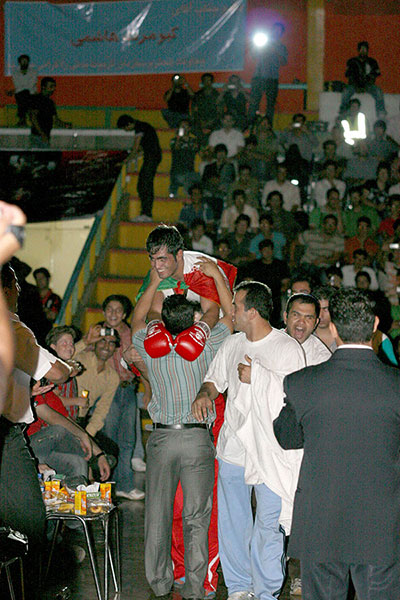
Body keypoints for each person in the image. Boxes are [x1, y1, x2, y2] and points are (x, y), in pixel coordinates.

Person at [273, 288, 400, 600]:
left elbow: (287, 438)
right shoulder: (395, 384)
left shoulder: (302, 382)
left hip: (322, 520)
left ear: (332, 327)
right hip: (382, 522)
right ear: (375, 325)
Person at [192, 281, 305, 600]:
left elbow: (297, 395)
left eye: (236, 306)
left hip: (271, 451)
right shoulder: (232, 344)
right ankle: (240, 587)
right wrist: (204, 394)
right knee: (233, 521)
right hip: (234, 448)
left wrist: (260, 377)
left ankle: (266, 591)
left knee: (268, 525)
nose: (231, 311)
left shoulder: (286, 348)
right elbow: (213, 380)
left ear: (252, 312)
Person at [128, 267, 233, 600]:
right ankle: (195, 587)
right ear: (193, 321)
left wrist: (155, 282)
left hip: (162, 438)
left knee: (157, 515)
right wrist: (216, 278)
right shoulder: (205, 344)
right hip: (197, 438)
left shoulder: (149, 345)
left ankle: (160, 582)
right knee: (197, 516)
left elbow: (138, 318)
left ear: (163, 321)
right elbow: (227, 316)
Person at [0, 261, 75, 600]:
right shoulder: (13, 327)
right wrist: (67, 367)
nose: (20, 291)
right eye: (16, 285)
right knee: (31, 522)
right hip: (5, 439)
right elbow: (56, 373)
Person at [282, 292, 331, 597]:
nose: (301, 322)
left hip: (305, 448)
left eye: (309, 317)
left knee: (304, 515)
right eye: (296, 315)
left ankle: (299, 573)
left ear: (316, 322)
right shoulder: (268, 344)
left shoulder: (322, 356)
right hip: (269, 445)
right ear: (285, 316)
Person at [138, 225, 236, 332]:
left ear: (179, 254)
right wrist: (157, 330)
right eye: (152, 259)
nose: (157, 266)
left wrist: (197, 335)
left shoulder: (201, 269)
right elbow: (154, 312)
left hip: (221, 320)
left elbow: (212, 312)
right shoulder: (158, 271)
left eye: (162, 259)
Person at [117, 114, 162, 222]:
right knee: (143, 185)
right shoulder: (144, 126)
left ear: (129, 124)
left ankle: (147, 214)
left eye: (125, 128)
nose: (126, 130)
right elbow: (142, 149)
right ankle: (145, 213)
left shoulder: (140, 127)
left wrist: (125, 161)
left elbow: (135, 148)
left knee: (145, 185)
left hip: (152, 157)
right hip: (152, 157)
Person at [248, 22, 287, 125]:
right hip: (258, 77)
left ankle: (268, 126)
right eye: (274, 29)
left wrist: (275, 50)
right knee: (254, 103)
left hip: (272, 78)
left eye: (278, 30)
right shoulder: (263, 43)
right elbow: (253, 56)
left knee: (270, 105)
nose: (276, 32)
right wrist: (262, 48)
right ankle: (251, 126)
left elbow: (283, 62)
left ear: (281, 33)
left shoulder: (282, 47)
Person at [339, 41, 386, 118]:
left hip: (368, 85)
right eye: (361, 49)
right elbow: (348, 75)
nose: (363, 51)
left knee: (378, 91)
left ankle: (381, 112)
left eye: (365, 49)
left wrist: (367, 84)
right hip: (354, 85)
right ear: (358, 50)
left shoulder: (372, 62)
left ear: (367, 50)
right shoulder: (352, 61)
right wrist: (356, 85)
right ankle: (343, 112)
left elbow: (375, 75)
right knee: (346, 91)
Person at [29, 77, 72, 147]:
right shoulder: (37, 100)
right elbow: (33, 118)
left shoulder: (50, 102)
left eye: (54, 87)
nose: (53, 89)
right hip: (38, 137)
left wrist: (65, 125)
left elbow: (55, 120)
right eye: (51, 86)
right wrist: (42, 134)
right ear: (43, 87)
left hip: (45, 136)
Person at [169, 118, 199, 197]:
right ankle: (173, 191)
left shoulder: (193, 141)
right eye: (182, 127)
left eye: (186, 126)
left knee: (192, 177)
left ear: (189, 128)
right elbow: (176, 148)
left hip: (189, 171)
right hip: (177, 171)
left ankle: (187, 193)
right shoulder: (174, 140)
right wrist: (179, 137)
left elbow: (195, 149)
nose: (184, 129)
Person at [6, 54, 38, 126]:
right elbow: (17, 85)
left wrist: (17, 90)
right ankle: (24, 119)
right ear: (19, 62)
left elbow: (31, 85)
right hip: (20, 94)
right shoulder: (15, 73)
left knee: (24, 94)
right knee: (24, 94)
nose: (24, 63)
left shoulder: (33, 72)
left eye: (26, 61)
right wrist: (21, 89)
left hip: (31, 94)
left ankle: (22, 119)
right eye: (22, 61)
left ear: (28, 62)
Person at [313, 285, 337, 351]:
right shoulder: (304, 336)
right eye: (318, 309)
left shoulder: (344, 337)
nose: (320, 315)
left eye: (326, 309)